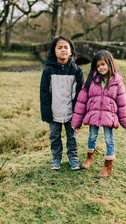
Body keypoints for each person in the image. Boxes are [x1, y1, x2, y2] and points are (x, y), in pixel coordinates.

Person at [71, 50, 126, 178]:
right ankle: (89, 158)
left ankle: (108, 166)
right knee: (92, 136)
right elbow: (81, 101)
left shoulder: (117, 82)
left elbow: (122, 104)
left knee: (108, 139)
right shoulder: (91, 81)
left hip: (108, 116)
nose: (101, 68)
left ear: (110, 63)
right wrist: (77, 121)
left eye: (103, 64)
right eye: (98, 66)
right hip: (93, 115)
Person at [40, 36, 84, 170]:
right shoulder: (48, 71)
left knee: (72, 136)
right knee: (54, 136)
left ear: (71, 51)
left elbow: (80, 93)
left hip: (72, 112)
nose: (63, 50)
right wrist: (46, 112)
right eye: (59, 47)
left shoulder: (77, 70)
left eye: (66, 47)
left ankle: (73, 157)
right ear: (54, 51)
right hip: (54, 111)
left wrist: (79, 112)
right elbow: (44, 93)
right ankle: (56, 157)